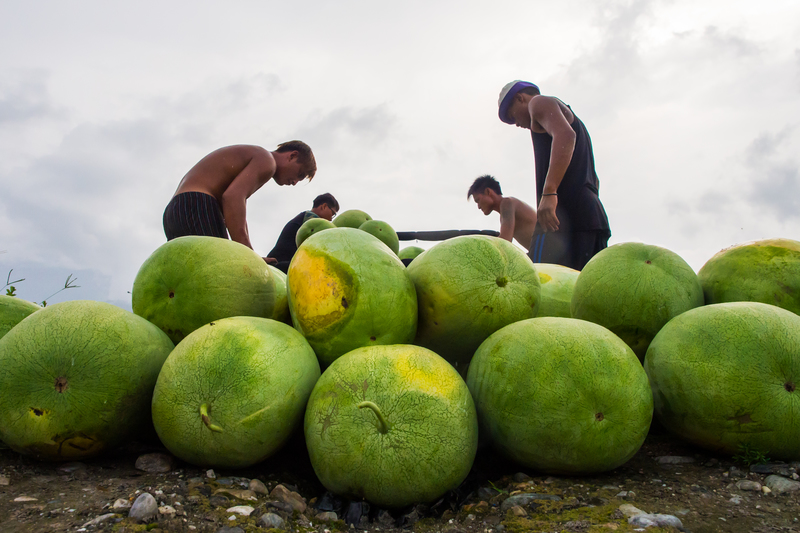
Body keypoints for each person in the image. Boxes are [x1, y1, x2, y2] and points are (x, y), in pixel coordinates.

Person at [498, 80, 610, 270]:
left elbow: (566, 135)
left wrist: (549, 193)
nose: (516, 123)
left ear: (520, 98)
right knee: (583, 291)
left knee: (539, 283)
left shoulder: (538, 103)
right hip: (591, 217)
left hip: (558, 222)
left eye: (512, 115)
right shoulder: (573, 119)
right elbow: (595, 180)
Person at [163, 142, 317, 261]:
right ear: (292, 156)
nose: (295, 182)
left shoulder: (255, 157)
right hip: (196, 205)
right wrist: (248, 255)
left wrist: (248, 249)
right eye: (300, 174)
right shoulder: (267, 160)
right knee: (218, 274)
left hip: (176, 210)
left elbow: (236, 208)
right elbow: (233, 198)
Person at [266, 193, 339, 272]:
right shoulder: (311, 220)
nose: (331, 219)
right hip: (280, 265)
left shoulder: (303, 217)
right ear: (324, 206)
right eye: (333, 214)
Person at [467, 175, 537, 251]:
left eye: (478, 200)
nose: (479, 207)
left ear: (488, 192)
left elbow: (504, 242)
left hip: (547, 246)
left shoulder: (507, 203)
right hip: (541, 250)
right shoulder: (505, 212)